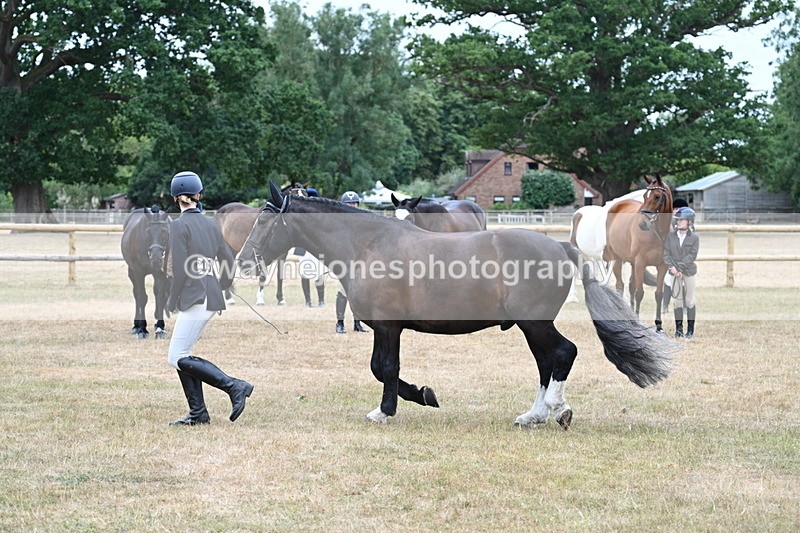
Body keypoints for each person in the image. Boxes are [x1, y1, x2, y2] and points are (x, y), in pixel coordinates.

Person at [166, 171, 254, 425]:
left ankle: (234, 386)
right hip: (210, 295)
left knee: (176, 357)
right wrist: (223, 286)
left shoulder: (179, 225)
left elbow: (182, 268)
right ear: (199, 195)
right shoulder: (211, 224)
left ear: (175, 198)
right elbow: (228, 260)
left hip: (195, 295)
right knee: (184, 354)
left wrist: (172, 299)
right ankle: (198, 413)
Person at [663, 206, 700, 339]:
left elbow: (692, 255)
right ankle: (679, 330)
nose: (678, 222)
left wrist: (679, 268)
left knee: (689, 301)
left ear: (689, 222)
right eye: (677, 220)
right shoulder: (670, 237)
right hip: (674, 272)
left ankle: (690, 331)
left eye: (681, 220)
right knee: (677, 301)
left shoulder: (694, 238)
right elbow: (666, 254)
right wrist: (672, 268)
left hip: (688, 272)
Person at [335, 191, 368, 334]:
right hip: (345, 261)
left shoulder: (363, 221)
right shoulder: (339, 224)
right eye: (348, 204)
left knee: (360, 293)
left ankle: (357, 323)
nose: (352, 205)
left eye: (354, 203)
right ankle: (340, 323)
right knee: (343, 292)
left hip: (362, 260)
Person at [661, 197, 690, 313]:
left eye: (680, 208)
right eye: (675, 208)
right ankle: (665, 304)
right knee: (668, 280)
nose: (677, 211)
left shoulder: (688, 222)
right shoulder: (668, 222)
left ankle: (683, 305)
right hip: (671, 256)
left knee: (683, 281)